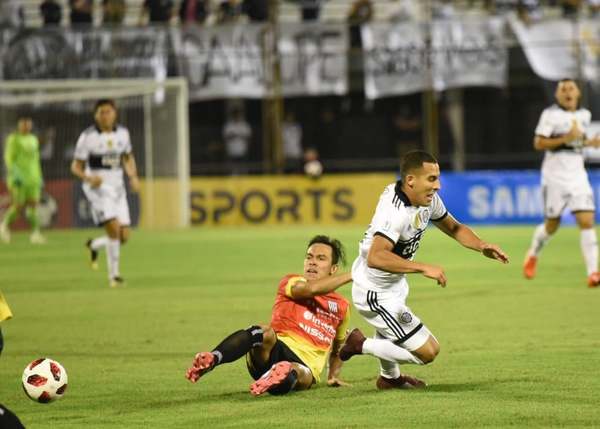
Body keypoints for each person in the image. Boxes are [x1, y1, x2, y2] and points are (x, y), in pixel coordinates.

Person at [339, 150, 509, 389]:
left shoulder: (425, 200)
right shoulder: (395, 212)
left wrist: (482, 246)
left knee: (389, 330)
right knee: (428, 351)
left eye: (437, 178)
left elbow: (454, 227)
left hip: (393, 283)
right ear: (411, 180)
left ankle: (389, 379)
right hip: (374, 292)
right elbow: (376, 257)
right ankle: (358, 344)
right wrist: (422, 267)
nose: (438, 186)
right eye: (431, 179)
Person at [185, 235, 352, 396]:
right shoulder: (292, 282)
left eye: (321, 258)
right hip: (273, 348)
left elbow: (338, 348)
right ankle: (213, 358)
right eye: (309, 257)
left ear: (333, 269)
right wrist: (352, 275)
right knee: (263, 332)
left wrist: (333, 376)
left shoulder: (342, 306)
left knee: (301, 372)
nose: (313, 262)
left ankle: (277, 376)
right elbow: (310, 290)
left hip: (305, 364)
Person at [523, 79, 600, 287]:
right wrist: (565, 138)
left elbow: (577, 141)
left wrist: (589, 142)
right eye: (563, 89)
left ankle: (593, 273)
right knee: (551, 225)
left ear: (578, 94)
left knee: (586, 221)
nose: (567, 92)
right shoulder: (550, 115)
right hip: (554, 177)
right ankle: (533, 253)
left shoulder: (584, 115)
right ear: (557, 96)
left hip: (577, 176)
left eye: (571, 88)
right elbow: (538, 142)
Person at [71, 99, 140, 288]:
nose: (105, 115)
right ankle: (114, 276)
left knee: (123, 235)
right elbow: (75, 167)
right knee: (114, 229)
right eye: (101, 112)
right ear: (96, 115)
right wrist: (88, 178)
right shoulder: (88, 137)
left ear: (115, 113)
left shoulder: (123, 134)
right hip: (98, 191)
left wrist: (133, 176)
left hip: (118, 189)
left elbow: (127, 157)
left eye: (108, 112)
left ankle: (93, 245)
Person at [1, 116, 46, 244]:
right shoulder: (13, 139)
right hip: (19, 179)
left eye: (28, 124)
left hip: (33, 178)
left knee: (33, 205)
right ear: (19, 125)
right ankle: (3, 226)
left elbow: (35, 159)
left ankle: (35, 233)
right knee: (18, 206)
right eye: (23, 123)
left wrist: (39, 176)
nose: (26, 126)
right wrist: (15, 174)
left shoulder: (33, 139)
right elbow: (9, 158)